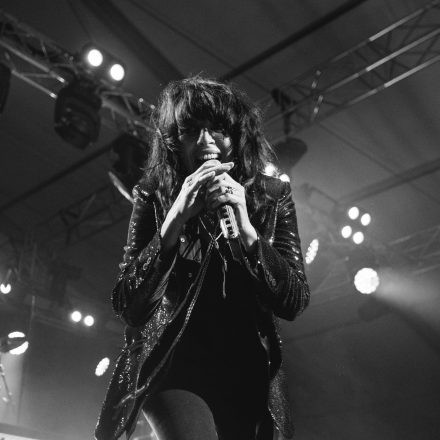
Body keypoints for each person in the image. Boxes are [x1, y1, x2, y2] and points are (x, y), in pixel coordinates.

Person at [95, 76, 310, 440]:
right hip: (172, 366)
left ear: (237, 136)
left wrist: (248, 232)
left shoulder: (272, 196)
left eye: (218, 129)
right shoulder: (154, 194)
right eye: (191, 130)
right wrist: (174, 220)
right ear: (174, 141)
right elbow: (129, 306)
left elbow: (294, 301)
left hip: (245, 368)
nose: (206, 141)